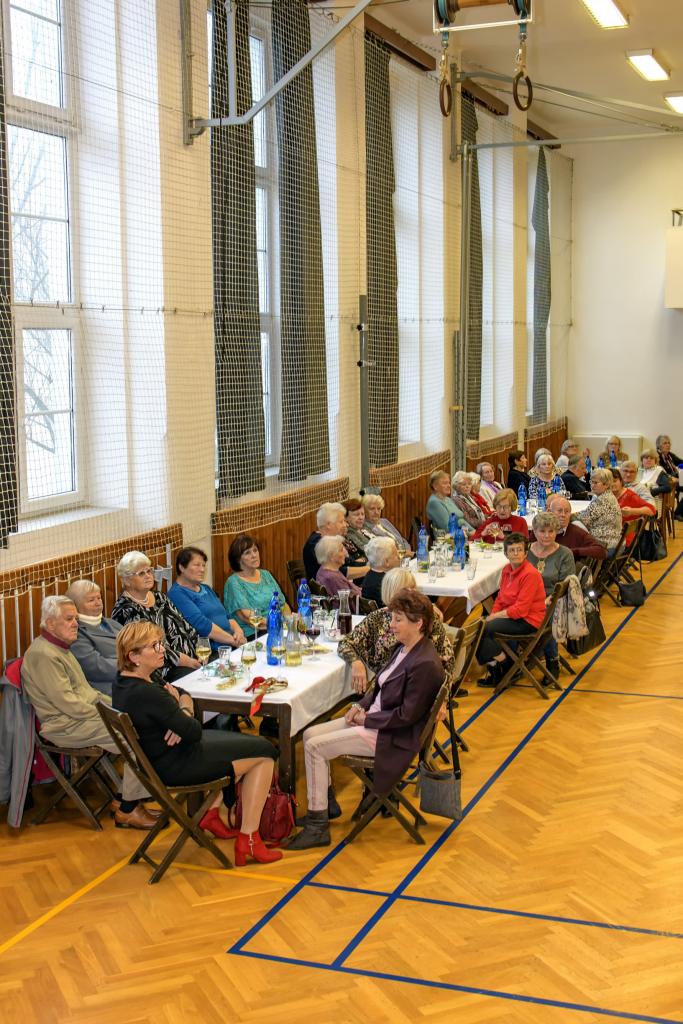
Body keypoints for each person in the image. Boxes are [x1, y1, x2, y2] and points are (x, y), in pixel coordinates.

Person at [113, 621, 282, 865]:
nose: (162, 649)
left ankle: (211, 813)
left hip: (160, 758)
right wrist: (182, 711)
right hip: (176, 764)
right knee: (265, 753)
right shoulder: (148, 693)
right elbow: (193, 730)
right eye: (154, 646)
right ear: (134, 656)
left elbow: (183, 692)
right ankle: (249, 839)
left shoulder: (125, 681)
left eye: (161, 643)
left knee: (252, 747)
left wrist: (179, 710)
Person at [286, 589, 444, 850]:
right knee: (310, 734)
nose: (391, 625)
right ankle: (326, 805)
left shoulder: (424, 663)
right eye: (392, 618)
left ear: (419, 623)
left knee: (314, 747)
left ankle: (317, 826)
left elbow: (406, 717)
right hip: (377, 721)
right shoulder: (405, 648)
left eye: (398, 620)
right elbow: (379, 686)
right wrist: (359, 705)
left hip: (391, 736)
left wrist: (366, 720)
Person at [21, 596, 155, 830]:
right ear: (50, 623)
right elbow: (68, 704)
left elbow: (89, 694)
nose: (76, 624)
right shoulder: (44, 655)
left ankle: (123, 798)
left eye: (75, 618)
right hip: (65, 725)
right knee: (134, 738)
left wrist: (119, 707)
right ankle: (128, 810)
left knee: (138, 725)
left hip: (80, 718)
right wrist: (112, 716)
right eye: (69, 619)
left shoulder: (60, 648)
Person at [338, 567, 457, 696]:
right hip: (385, 691)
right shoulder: (377, 618)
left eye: (414, 588)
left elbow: (447, 661)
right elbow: (346, 642)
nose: (413, 593)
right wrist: (355, 662)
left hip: (419, 691)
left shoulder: (426, 619)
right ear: (392, 592)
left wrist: (442, 699)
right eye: (407, 589)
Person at [112, 552, 200, 682]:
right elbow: (145, 648)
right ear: (127, 581)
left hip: (190, 659)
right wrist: (186, 661)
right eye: (141, 573)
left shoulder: (160, 597)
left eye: (149, 571)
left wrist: (199, 649)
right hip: (162, 671)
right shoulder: (126, 610)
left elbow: (184, 625)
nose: (148, 576)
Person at [474, 533, 547, 688]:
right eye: (512, 550)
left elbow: (521, 610)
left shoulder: (530, 574)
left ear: (525, 553)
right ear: (506, 554)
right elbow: (500, 599)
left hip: (528, 621)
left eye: (519, 550)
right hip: (513, 616)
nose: (516, 553)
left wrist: (494, 617)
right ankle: (498, 666)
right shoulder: (507, 570)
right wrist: (493, 614)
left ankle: (507, 665)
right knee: (480, 628)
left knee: (483, 629)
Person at [527, 512, 577, 678]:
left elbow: (566, 584)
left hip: (555, 600)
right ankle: (510, 662)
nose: (546, 535)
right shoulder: (525, 551)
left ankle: (552, 660)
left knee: (546, 614)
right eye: (542, 531)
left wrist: (549, 599)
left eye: (551, 531)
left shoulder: (564, 554)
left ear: (557, 532)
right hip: (527, 598)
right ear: (534, 531)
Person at [169, 546, 246, 651]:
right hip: (210, 651)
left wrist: (239, 632)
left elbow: (227, 616)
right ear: (182, 567)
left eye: (203, 565)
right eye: (197, 565)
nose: (202, 569)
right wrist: (233, 641)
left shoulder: (206, 588)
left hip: (232, 643)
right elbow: (202, 625)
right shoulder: (176, 594)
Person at [66, 580, 122, 697]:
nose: (98, 603)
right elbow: (97, 667)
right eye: (91, 600)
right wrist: (133, 664)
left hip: (136, 678)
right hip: (111, 690)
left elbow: (136, 644)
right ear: (76, 605)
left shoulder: (112, 623)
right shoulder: (77, 633)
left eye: (99, 598)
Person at [222, 536, 288, 634]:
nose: (254, 555)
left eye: (255, 550)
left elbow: (283, 605)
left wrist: (288, 622)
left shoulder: (266, 574)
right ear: (238, 559)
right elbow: (248, 618)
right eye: (247, 553)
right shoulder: (233, 582)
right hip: (253, 633)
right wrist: (276, 623)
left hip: (277, 626)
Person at [302, 502, 368, 582]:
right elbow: (338, 573)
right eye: (341, 522)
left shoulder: (333, 541)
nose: (345, 525)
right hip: (332, 588)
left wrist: (371, 565)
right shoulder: (317, 543)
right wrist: (370, 569)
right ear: (329, 524)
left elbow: (351, 563)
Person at [574, 468, 623, 555]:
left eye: (596, 483)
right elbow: (587, 513)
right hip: (615, 542)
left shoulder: (602, 500)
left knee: (571, 533)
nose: (592, 485)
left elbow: (583, 520)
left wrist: (570, 516)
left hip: (605, 545)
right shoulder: (608, 496)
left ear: (606, 485)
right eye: (591, 482)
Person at [545, 495, 607, 561]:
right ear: (549, 512)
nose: (563, 515)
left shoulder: (576, 531)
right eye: (559, 511)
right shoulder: (542, 530)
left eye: (567, 511)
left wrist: (571, 552)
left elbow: (601, 551)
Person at [610, 468, 656, 545]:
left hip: (623, 540)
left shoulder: (629, 496)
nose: (612, 484)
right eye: (608, 482)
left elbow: (651, 510)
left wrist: (632, 511)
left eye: (614, 481)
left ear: (621, 481)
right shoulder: (606, 496)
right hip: (611, 535)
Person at [360, 537, 400, 607]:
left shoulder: (370, 575)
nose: (399, 557)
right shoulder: (385, 583)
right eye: (396, 555)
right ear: (386, 562)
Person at [636, 448, 672, 515]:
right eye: (646, 458)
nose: (648, 460)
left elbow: (667, 487)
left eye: (651, 458)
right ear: (642, 460)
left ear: (655, 461)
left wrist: (651, 492)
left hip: (652, 501)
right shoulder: (640, 470)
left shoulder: (659, 471)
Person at [656, 434, 683, 519]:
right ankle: (677, 513)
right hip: (666, 482)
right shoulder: (657, 456)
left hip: (675, 480)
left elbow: (681, 462)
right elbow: (662, 473)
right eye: (665, 443)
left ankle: (678, 512)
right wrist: (675, 475)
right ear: (659, 446)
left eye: (668, 443)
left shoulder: (669, 455)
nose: (668, 445)